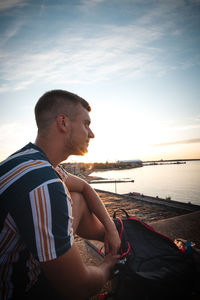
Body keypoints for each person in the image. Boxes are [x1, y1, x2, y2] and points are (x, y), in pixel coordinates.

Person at [0, 90, 121, 300]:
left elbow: (84, 187)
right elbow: (77, 288)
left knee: (78, 198)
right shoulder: (45, 185)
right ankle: (117, 252)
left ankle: (116, 240)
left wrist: (110, 229)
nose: (91, 134)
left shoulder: (27, 159)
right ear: (63, 122)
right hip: (16, 290)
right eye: (86, 124)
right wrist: (107, 267)